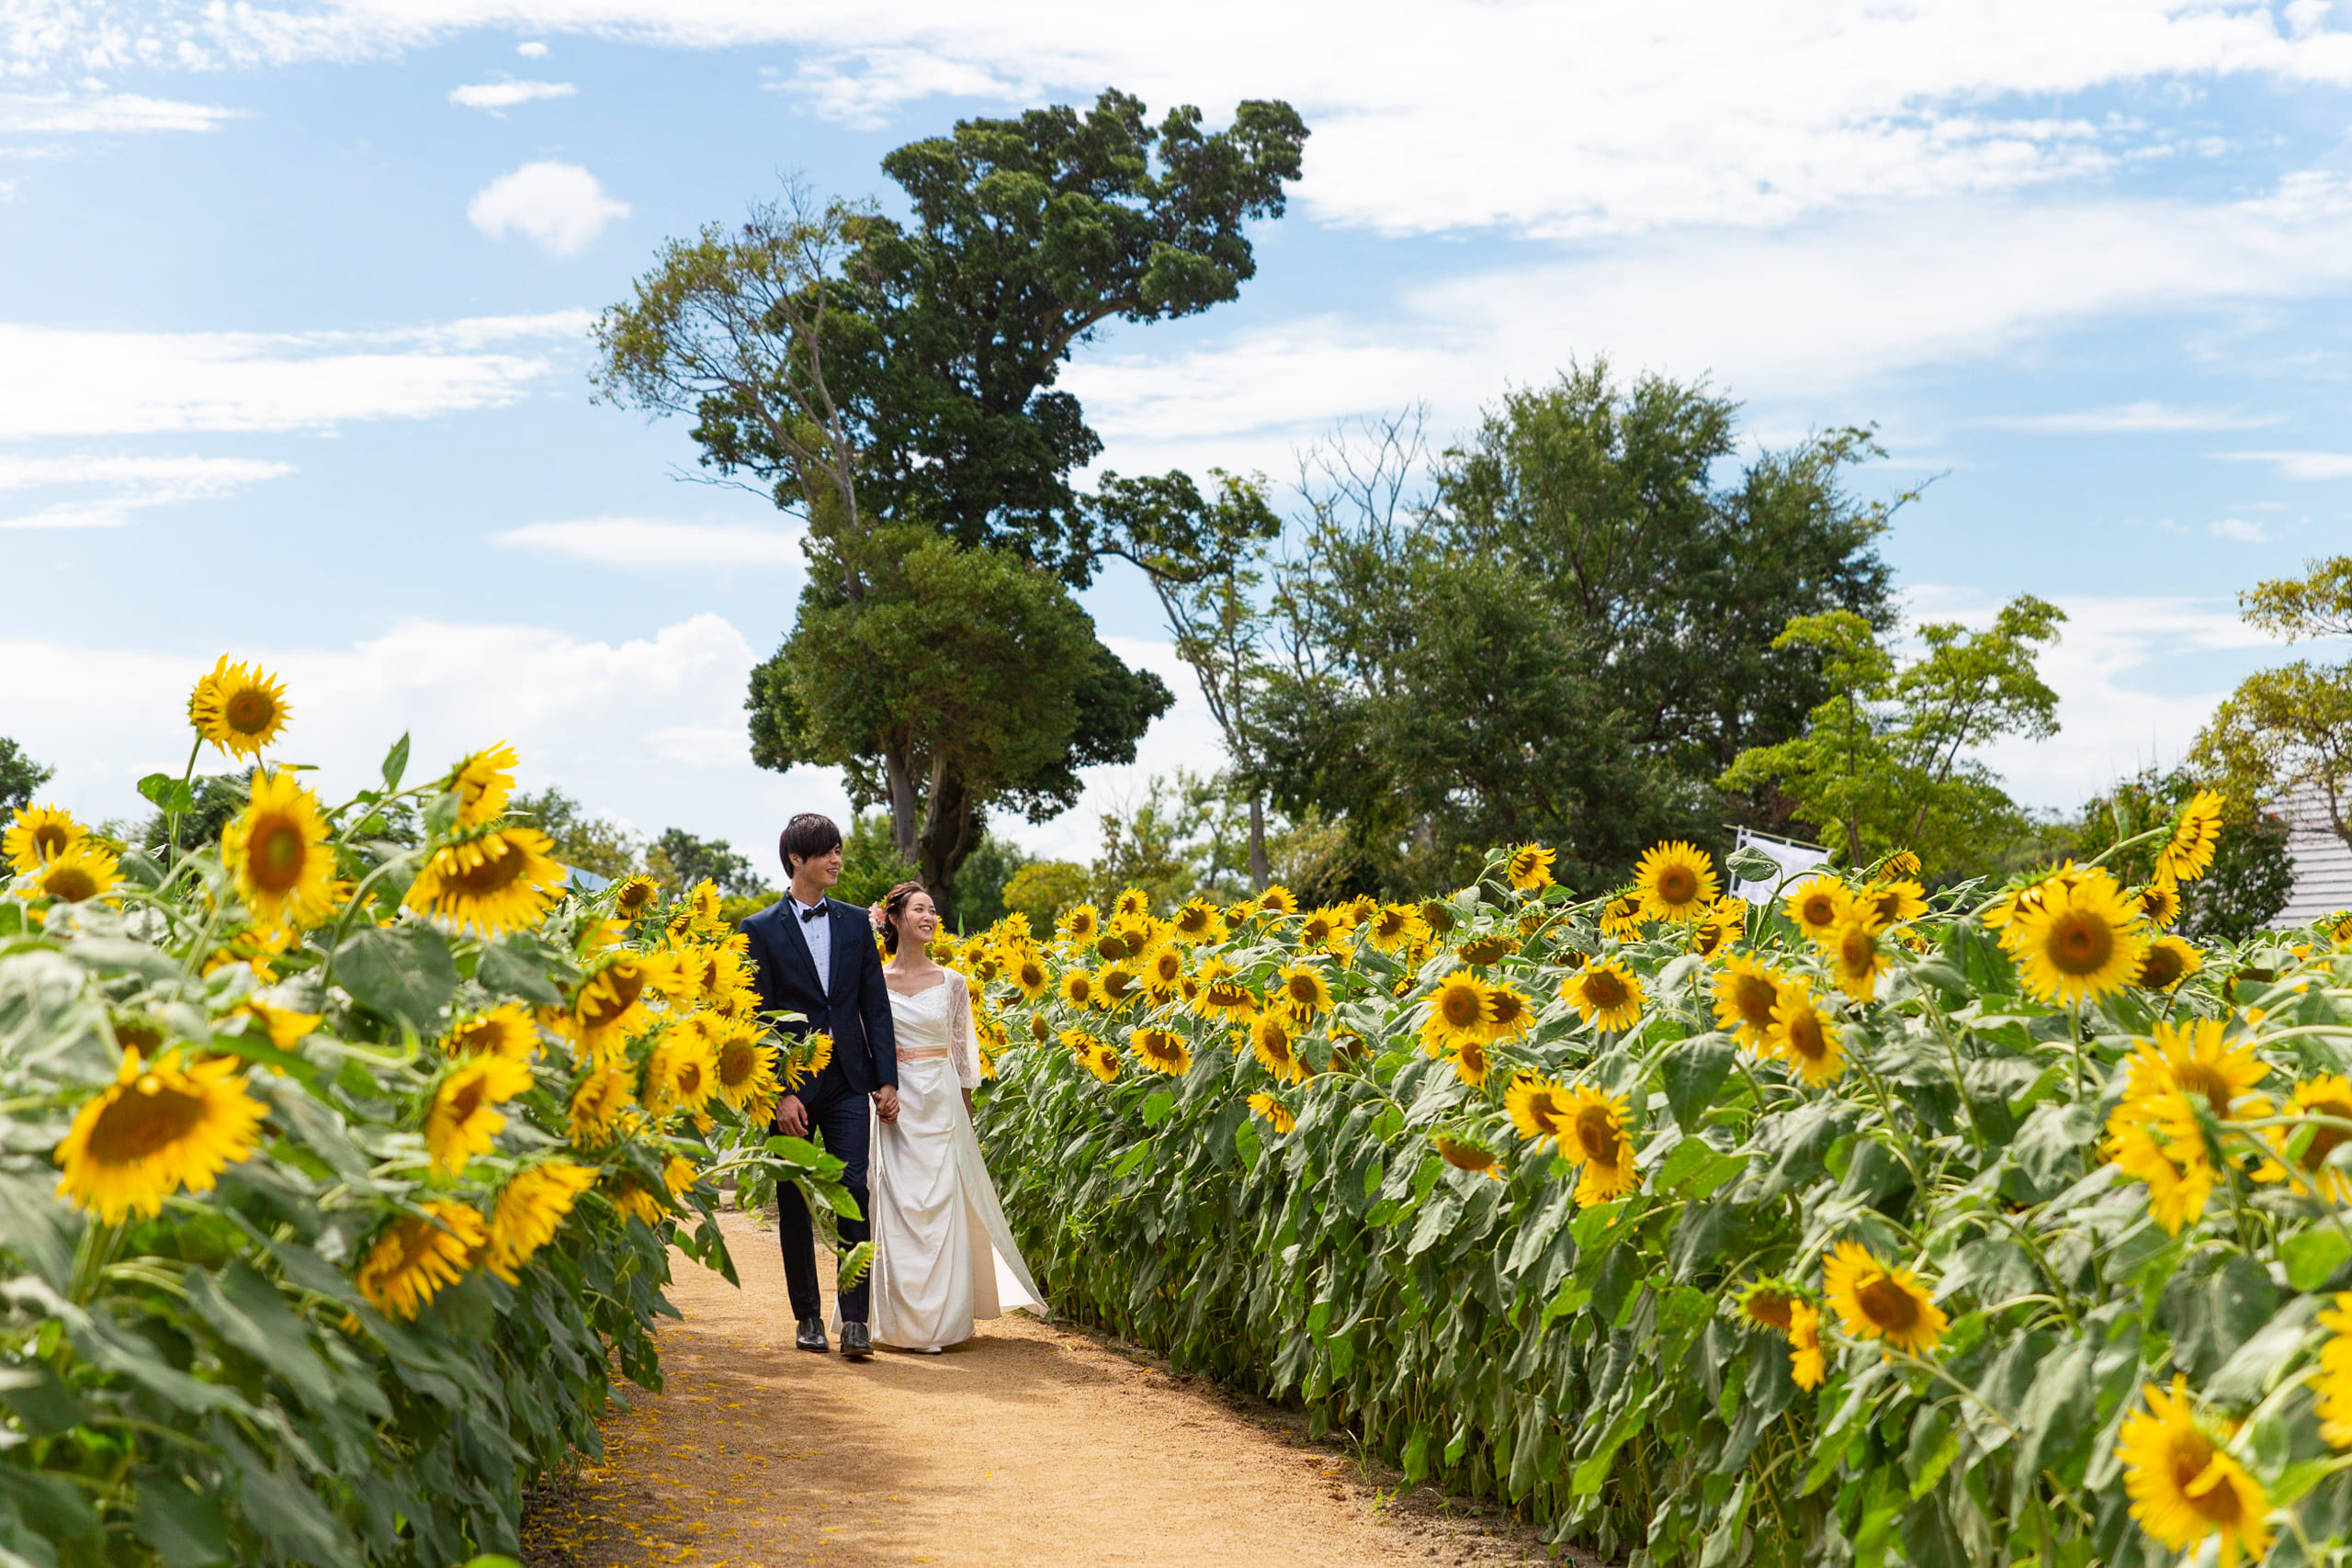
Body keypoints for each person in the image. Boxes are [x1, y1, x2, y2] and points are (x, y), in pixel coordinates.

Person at [738, 814, 899, 1361]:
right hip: (792, 1089)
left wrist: (885, 1080)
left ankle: (855, 1321)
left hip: (851, 1080)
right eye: (825, 852)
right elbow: (755, 1020)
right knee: (797, 1196)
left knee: (855, 1188)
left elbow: (873, 1005)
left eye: (838, 850)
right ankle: (807, 1316)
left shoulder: (857, 924)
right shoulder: (757, 929)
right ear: (795, 861)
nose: (836, 859)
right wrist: (778, 1091)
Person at [865, 881, 1046, 1351]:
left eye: (933, 910)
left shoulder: (952, 982)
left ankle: (943, 1324)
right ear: (895, 919)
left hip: (941, 1099)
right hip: (893, 1102)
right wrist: (877, 1091)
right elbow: (866, 1044)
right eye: (919, 909)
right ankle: (899, 1323)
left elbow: (964, 1054)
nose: (929, 917)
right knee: (897, 1204)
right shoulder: (874, 981)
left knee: (942, 1204)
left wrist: (965, 1114)